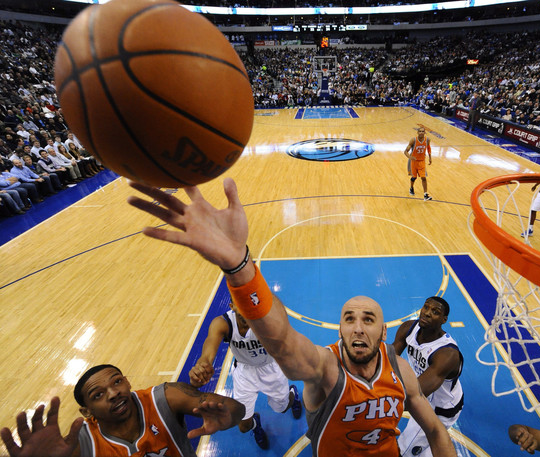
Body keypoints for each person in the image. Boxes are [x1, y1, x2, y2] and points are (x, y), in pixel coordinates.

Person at [127, 179, 457, 457]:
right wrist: (240, 266)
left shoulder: (402, 372)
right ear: (339, 329)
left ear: (383, 331)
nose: (358, 326)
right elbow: (283, 343)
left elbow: (434, 430)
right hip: (261, 378)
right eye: (349, 319)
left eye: (368, 319)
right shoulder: (324, 366)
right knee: (269, 404)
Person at [0, 364, 245, 457]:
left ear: (128, 382)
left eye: (117, 382)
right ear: (86, 412)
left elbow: (237, 409)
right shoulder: (81, 442)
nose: (114, 392)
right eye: (98, 394)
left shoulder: (164, 397)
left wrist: (229, 414)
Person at [189, 299, 303, 449]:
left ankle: (292, 395)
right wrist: (202, 366)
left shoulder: (267, 320)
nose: (246, 310)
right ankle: (255, 423)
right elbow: (209, 348)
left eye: (249, 306)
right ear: (232, 306)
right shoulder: (222, 323)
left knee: (281, 408)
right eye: (241, 305)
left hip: (270, 368)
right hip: (244, 373)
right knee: (244, 426)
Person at [393, 297, 464, 457]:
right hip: (423, 397)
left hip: (440, 408)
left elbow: (415, 396)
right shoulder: (409, 328)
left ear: (444, 320)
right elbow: (389, 359)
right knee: (422, 445)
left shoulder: (447, 354)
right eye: (426, 307)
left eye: (435, 312)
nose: (427, 313)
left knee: (402, 451)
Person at [403, 127, 433, 201]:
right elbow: (405, 151)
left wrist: (430, 157)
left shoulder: (427, 140)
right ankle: (411, 188)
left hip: (422, 161)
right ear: (417, 132)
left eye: (423, 131)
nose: (421, 133)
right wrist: (410, 157)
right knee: (414, 177)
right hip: (414, 161)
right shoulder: (413, 140)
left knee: (423, 177)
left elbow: (428, 148)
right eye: (420, 131)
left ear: (424, 133)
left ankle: (425, 194)